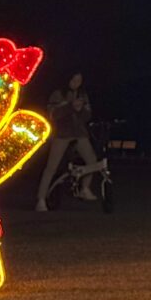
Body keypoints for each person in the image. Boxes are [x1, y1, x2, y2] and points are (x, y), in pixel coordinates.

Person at [34, 72, 100, 209]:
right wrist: (70, 106)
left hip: (80, 133)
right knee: (51, 167)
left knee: (92, 161)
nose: (77, 83)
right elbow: (52, 114)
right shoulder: (58, 94)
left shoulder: (82, 95)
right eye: (74, 80)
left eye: (79, 80)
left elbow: (88, 115)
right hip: (62, 134)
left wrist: (81, 109)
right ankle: (41, 198)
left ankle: (85, 188)